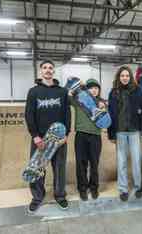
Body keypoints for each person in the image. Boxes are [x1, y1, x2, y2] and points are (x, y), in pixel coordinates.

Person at [25, 59, 71, 213]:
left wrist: (66, 134)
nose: (48, 70)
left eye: (51, 68)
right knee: (37, 169)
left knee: (59, 168)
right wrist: (35, 136)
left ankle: (60, 196)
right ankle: (37, 197)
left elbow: (67, 114)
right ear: (41, 71)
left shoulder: (62, 92)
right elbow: (29, 115)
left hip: (59, 138)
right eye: (45, 68)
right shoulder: (33, 91)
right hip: (40, 139)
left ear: (54, 71)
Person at [108, 65, 142, 201]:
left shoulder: (138, 91)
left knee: (137, 161)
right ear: (119, 77)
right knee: (122, 162)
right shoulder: (113, 92)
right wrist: (111, 134)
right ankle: (123, 189)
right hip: (120, 132)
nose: (124, 78)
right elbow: (111, 114)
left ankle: (138, 186)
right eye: (122, 76)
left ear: (130, 77)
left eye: (127, 76)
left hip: (134, 131)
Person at [69, 78, 106, 201]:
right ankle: (82, 189)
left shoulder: (101, 103)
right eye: (91, 88)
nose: (94, 90)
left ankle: (94, 188)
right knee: (81, 164)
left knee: (94, 164)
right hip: (81, 136)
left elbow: (106, 121)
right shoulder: (78, 101)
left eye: (96, 88)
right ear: (86, 90)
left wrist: (103, 108)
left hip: (95, 136)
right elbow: (67, 94)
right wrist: (79, 85)